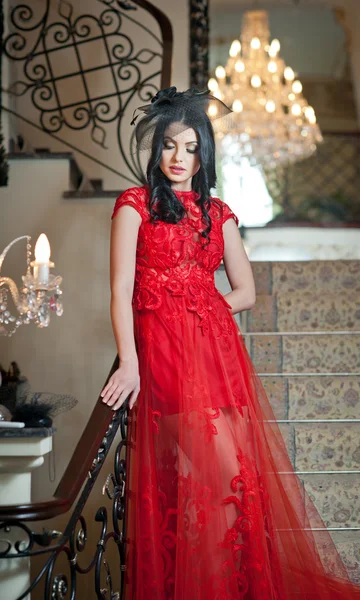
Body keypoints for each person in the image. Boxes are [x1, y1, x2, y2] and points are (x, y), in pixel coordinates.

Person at [101, 87, 360, 599]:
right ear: (156, 152)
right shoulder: (134, 206)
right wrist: (128, 362)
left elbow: (245, 291)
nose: (179, 158)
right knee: (218, 476)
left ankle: (223, 587)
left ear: (205, 155)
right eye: (170, 146)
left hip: (216, 354)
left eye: (191, 148)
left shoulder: (219, 214)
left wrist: (201, 300)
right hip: (166, 356)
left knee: (234, 481)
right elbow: (118, 291)